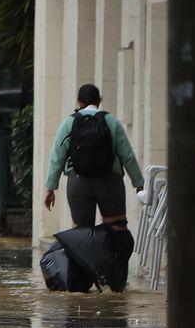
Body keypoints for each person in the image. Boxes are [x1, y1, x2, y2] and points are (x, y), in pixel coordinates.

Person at [42, 83, 144, 227]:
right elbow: (127, 155)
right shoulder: (111, 121)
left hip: (78, 182)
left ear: (79, 101)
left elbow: (57, 157)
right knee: (116, 229)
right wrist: (138, 183)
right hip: (109, 181)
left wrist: (50, 187)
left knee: (81, 235)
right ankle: (112, 249)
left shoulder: (69, 122)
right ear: (99, 100)